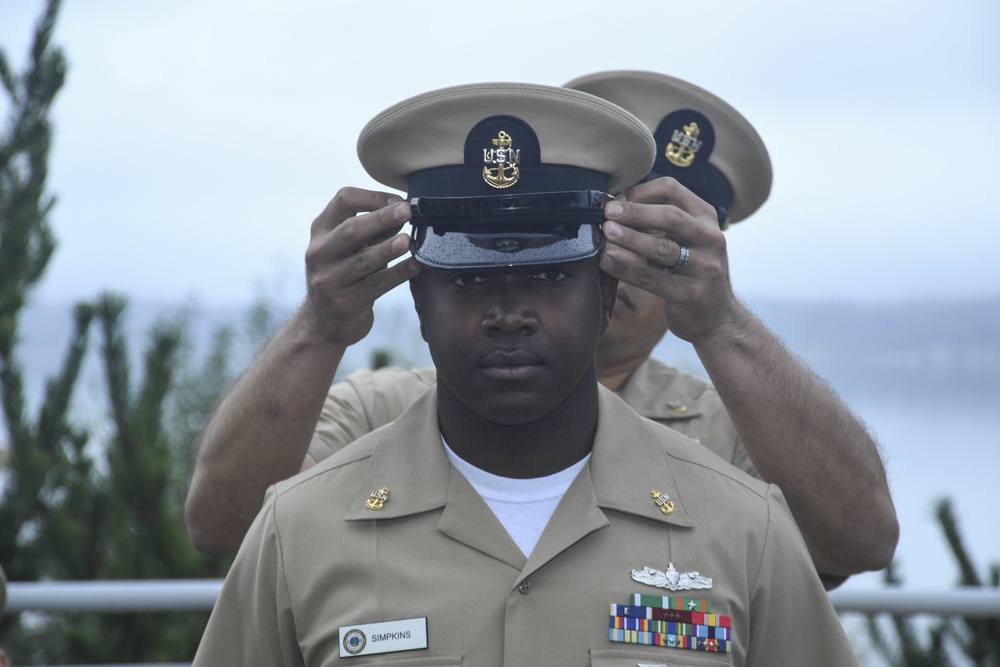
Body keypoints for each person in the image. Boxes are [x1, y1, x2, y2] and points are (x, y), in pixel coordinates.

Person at [191, 81, 860, 666]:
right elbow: (222, 521)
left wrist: (721, 323)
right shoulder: (309, 512)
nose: (508, 313)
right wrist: (318, 325)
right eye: (471, 277)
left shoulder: (743, 516)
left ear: (607, 285)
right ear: (418, 297)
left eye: (547, 273)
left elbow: (858, 536)